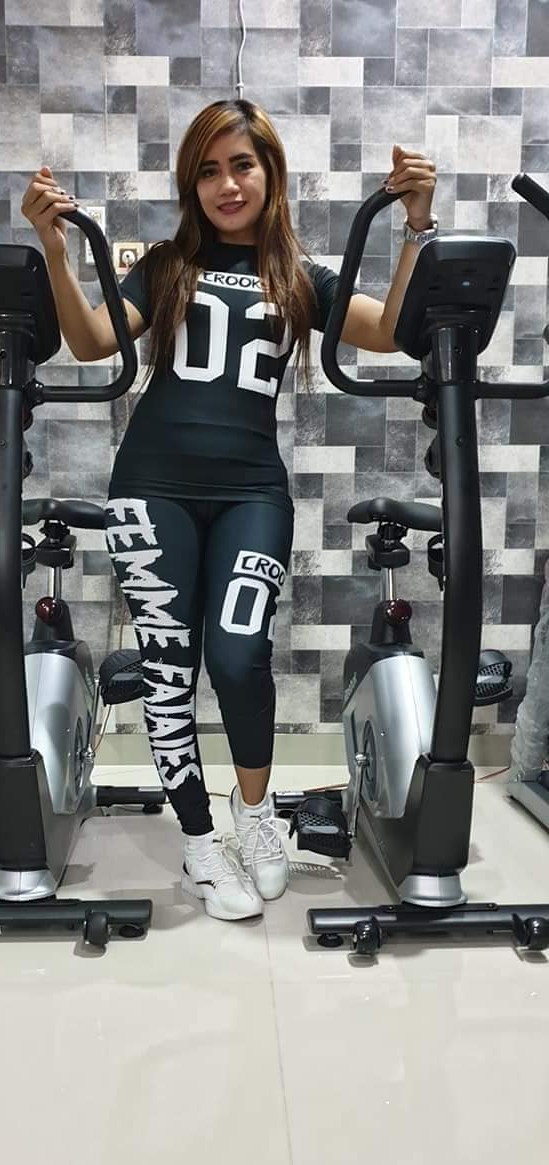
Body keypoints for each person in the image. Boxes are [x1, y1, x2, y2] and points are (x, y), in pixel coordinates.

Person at [21, 98, 437, 923]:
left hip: (253, 490)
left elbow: (392, 332)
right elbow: (93, 342)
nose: (227, 184)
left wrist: (416, 227)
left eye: (241, 164)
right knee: (169, 670)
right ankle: (200, 840)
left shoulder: (300, 276)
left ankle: (255, 817)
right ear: (192, 184)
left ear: (269, 173)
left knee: (241, 657)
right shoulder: (168, 265)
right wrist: (54, 249)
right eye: (208, 170)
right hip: (151, 488)